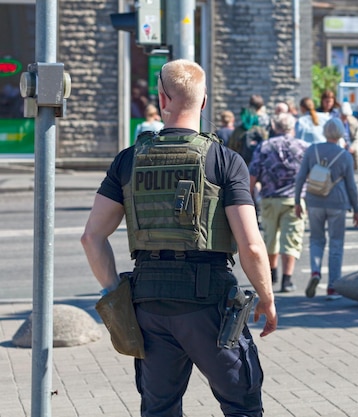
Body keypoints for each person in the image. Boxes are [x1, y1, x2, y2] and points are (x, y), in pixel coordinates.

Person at [81, 59, 277, 417]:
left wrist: (117, 295)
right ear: (204, 102)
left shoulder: (128, 160)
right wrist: (267, 297)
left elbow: (92, 237)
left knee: (159, 409)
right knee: (242, 405)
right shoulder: (224, 159)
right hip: (209, 304)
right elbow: (250, 244)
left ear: (161, 99)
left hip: (149, 302)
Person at [294, 118, 358, 300]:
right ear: (340, 133)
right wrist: (356, 210)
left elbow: (300, 178)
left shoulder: (311, 150)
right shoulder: (345, 155)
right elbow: (352, 186)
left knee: (316, 239)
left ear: (324, 131)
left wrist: (297, 201)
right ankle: (332, 287)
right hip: (338, 202)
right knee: (336, 243)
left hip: (314, 201)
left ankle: (315, 271)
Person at [249, 112, 309, 292]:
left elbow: (253, 174)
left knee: (270, 237)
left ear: (274, 127)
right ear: (292, 127)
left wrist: (250, 196)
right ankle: (287, 280)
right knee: (291, 239)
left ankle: (272, 273)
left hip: (269, 198)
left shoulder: (265, 146)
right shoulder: (303, 147)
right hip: (294, 199)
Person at [340, 102, 358, 172]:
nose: (345, 117)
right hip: (340, 151)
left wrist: (353, 147)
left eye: (346, 115)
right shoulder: (336, 122)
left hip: (351, 150)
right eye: (343, 115)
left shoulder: (355, 122)